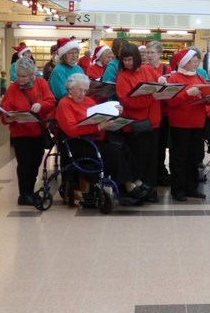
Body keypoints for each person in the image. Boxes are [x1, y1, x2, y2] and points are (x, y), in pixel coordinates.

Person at [56, 73, 148, 203]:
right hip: (78, 143)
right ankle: (128, 186)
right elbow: (71, 130)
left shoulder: (89, 101)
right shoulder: (64, 104)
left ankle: (136, 181)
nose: (82, 94)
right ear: (70, 89)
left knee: (123, 146)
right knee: (113, 153)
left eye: (85, 90)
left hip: (94, 139)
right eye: (79, 90)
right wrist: (97, 127)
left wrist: (116, 113)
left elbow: (101, 117)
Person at [0, 57, 56, 205]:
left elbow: (51, 101)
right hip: (20, 133)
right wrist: (8, 117)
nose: (20, 79)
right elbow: (5, 108)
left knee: (35, 162)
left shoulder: (41, 83)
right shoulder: (13, 88)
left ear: (32, 75)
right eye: (18, 75)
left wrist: (41, 105)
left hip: (37, 132)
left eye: (24, 76)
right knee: (24, 163)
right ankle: (24, 194)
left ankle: (30, 191)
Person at [115, 43, 162, 202]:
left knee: (152, 160)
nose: (128, 62)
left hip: (153, 122)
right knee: (139, 160)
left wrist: (163, 85)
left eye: (130, 59)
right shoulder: (122, 76)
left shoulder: (148, 69)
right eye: (125, 59)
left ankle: (151, 189)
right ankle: (139, 191)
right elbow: (128, 102)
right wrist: (150, 98)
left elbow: (158, 87)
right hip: (136, 125)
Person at [167, 48, 210, 201]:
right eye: (193, 60)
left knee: (194, 158)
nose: (197, 62)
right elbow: (170, 102)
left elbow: (208, 92)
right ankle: (178, 189)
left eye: (197, 60)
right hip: (180, 124)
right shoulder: (174, 79)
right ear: (185, 62)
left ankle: (192, 187)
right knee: (179, 158)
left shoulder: (199, 76)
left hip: (197, 123)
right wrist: (186, 94)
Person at [146, 41, 172, 186]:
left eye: (152, 53)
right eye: (147, 53)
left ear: (159, 54)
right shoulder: (144, 69)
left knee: (162, 145)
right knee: (152, 146)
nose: (149, 56)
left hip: (165, 112)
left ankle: (160, 171)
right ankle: (153, 173)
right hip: (151, 112)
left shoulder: (166, 69)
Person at [49, 37, 84, 101]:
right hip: (66, 105)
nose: (74, 55)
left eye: (76, 52)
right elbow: (62, 94)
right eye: (70, 53)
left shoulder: (79, 69)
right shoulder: (59, 71)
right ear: (63, 56)